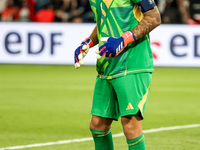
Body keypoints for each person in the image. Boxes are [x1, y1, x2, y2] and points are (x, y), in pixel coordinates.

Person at [74, 0, 161, 149]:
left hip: (133, 64)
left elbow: (154, 17)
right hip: (107, 66)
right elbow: (104, 21)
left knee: (130, 126)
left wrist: (123, 39)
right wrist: (87, 42)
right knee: (98, 125)